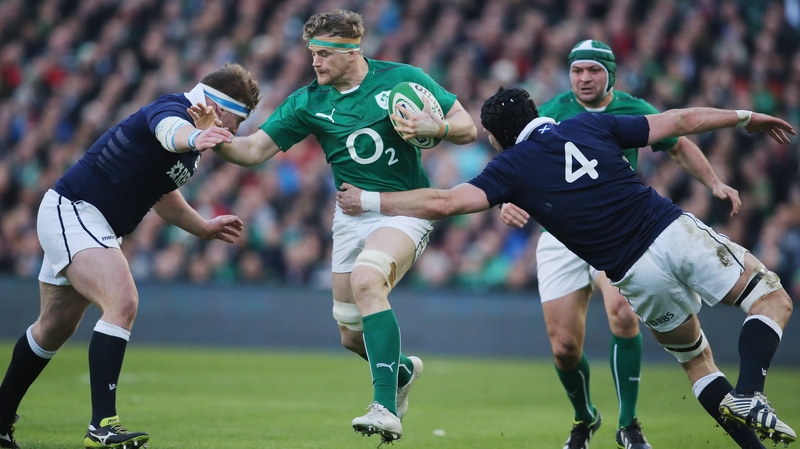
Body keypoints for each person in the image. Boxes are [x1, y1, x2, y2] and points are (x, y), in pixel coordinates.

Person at [335, 87, 796, 449]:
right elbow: (682, 121)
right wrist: (745, 117)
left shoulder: (508, 167)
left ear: (496, 138)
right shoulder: (591, 124)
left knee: (696, 361)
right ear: (536, 111)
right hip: (671, 233)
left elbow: (445, 202)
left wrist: (369, 200)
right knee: (770, 298)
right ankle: (751, 390)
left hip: (635, 275)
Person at [206, 9, 477, 444]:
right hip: (351, 216)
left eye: (324, 54)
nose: (314, 63)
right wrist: (212, 137)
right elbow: (253, 151)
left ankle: (385, 408)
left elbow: (467, 127)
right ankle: (403, 371)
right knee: (351, 335)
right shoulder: (308, 102)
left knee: (369, 281)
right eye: (312, 53)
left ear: (352, 53)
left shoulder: (402, 78)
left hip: (405, 209)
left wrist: (439, 125)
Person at [0, 63, 261, 449]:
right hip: (76, 210)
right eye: (236, 119)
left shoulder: (196, 136)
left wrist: (203, 227)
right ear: (217, 107)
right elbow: (173, 135)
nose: (235, 132)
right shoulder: (172, 110)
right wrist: (197, 135)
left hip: (86, 220)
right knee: (122, 301)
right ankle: (101, 426)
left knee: (53, 327)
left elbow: (164, 193)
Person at [498, 40, 742, 449]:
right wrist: (507, 201)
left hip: (616, 230)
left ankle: (628, 425)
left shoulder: (633, 108)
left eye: (593, 70)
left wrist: (714, 182)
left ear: (610, 73)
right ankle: (584, 417)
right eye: (577, 71)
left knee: (623, 315)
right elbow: (519, 167)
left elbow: (679, 141)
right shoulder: (553, 111)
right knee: (564, 348)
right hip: (560, 235)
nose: (584, 78)